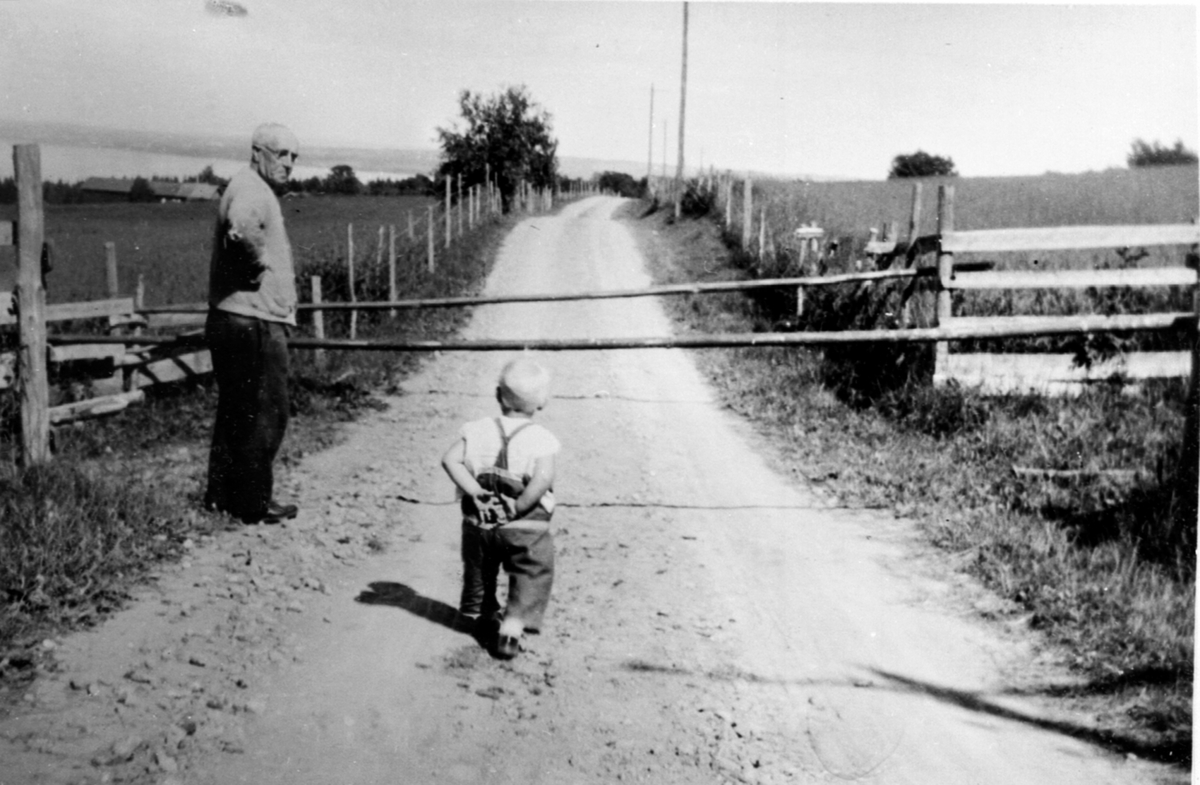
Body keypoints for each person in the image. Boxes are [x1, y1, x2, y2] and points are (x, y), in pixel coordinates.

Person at [203, 123, 301, 525]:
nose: (289, 164)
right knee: (266, 410)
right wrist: (257, 267)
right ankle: (251, 502)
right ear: (258, 152)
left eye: (294, 157)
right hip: (251, 320)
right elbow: (242, 229)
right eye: (282, 155)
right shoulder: (251, 190)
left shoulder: (247, 185)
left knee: (237, 409)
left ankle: (222, 496)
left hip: (236, 316)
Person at [441, 358, 560, 659]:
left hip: (479, 521)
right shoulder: (541, 438)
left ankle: (485, 614)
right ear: (542, 402)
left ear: (498, 395)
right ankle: (512, 627)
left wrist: (476, 492)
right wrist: (519, 505)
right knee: (531, 570)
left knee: (481, 568)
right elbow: (544, 477)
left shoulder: (477, 430)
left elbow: (449, 460)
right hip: (524, 525)